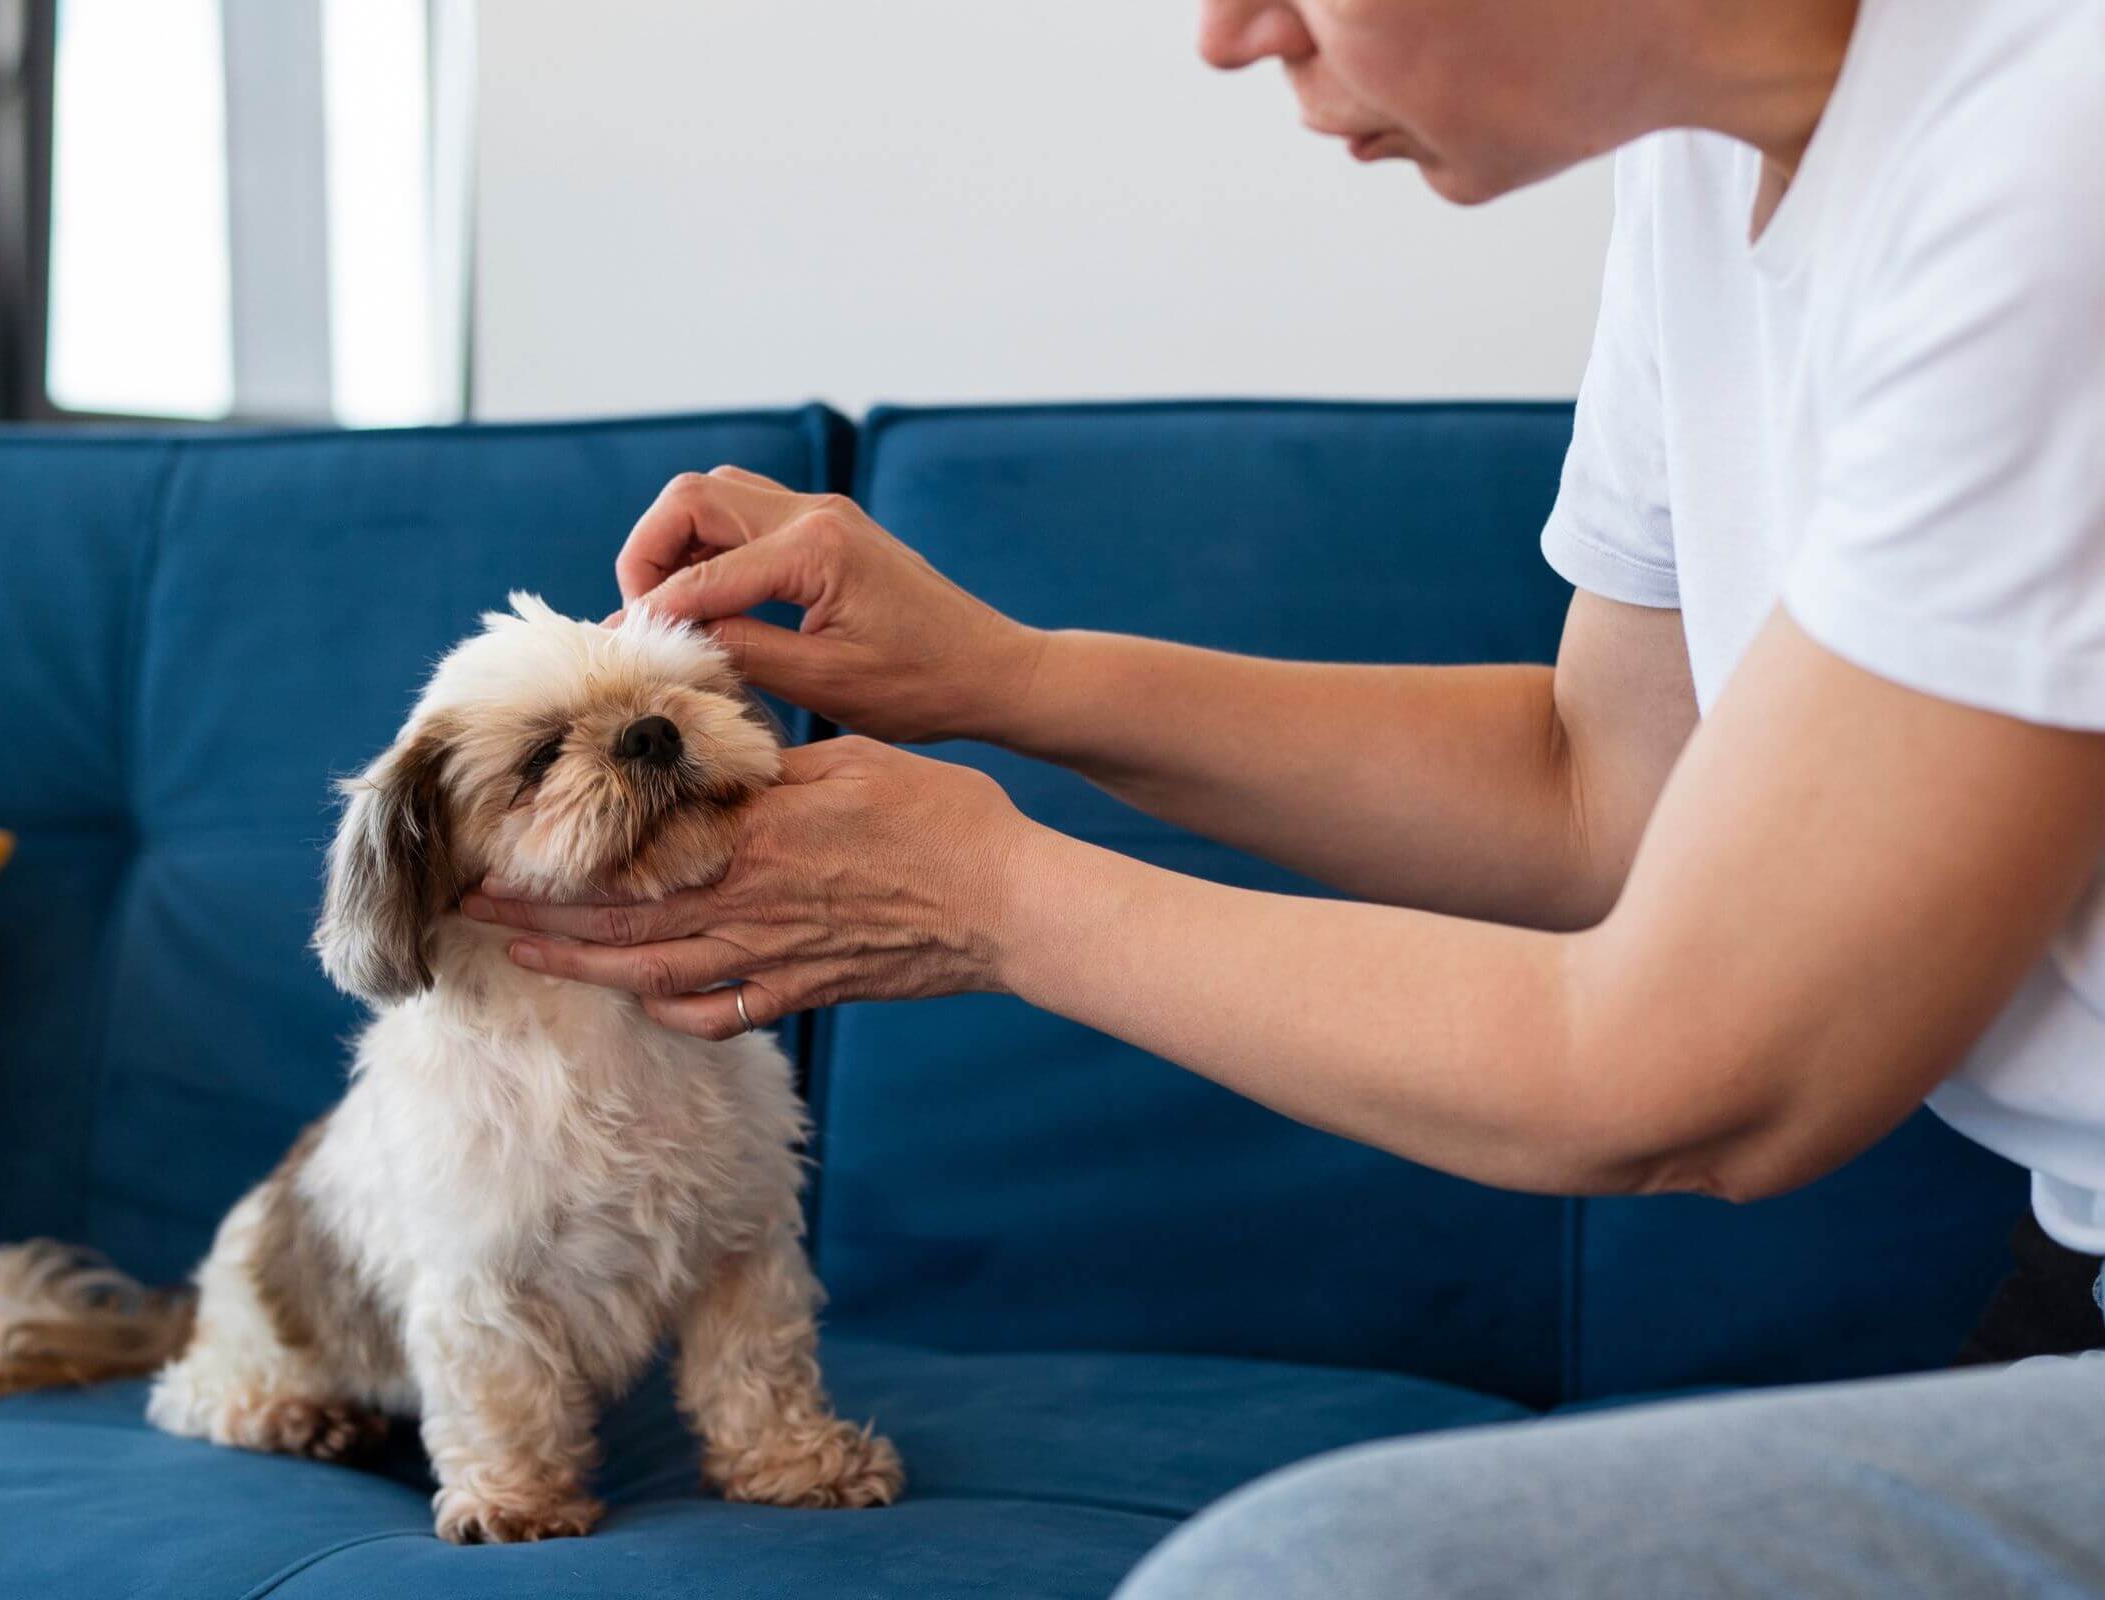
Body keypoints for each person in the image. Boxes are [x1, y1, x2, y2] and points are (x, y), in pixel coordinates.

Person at [459, 0, 2105, 1591]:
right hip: (2069, 1269)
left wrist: (991, 901)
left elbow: (1699, 1076)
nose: (1229, 31)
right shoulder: (1700, 170)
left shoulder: (2048, 160)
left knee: (1316, 1574)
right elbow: (1604, 783)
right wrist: (1007, 680)